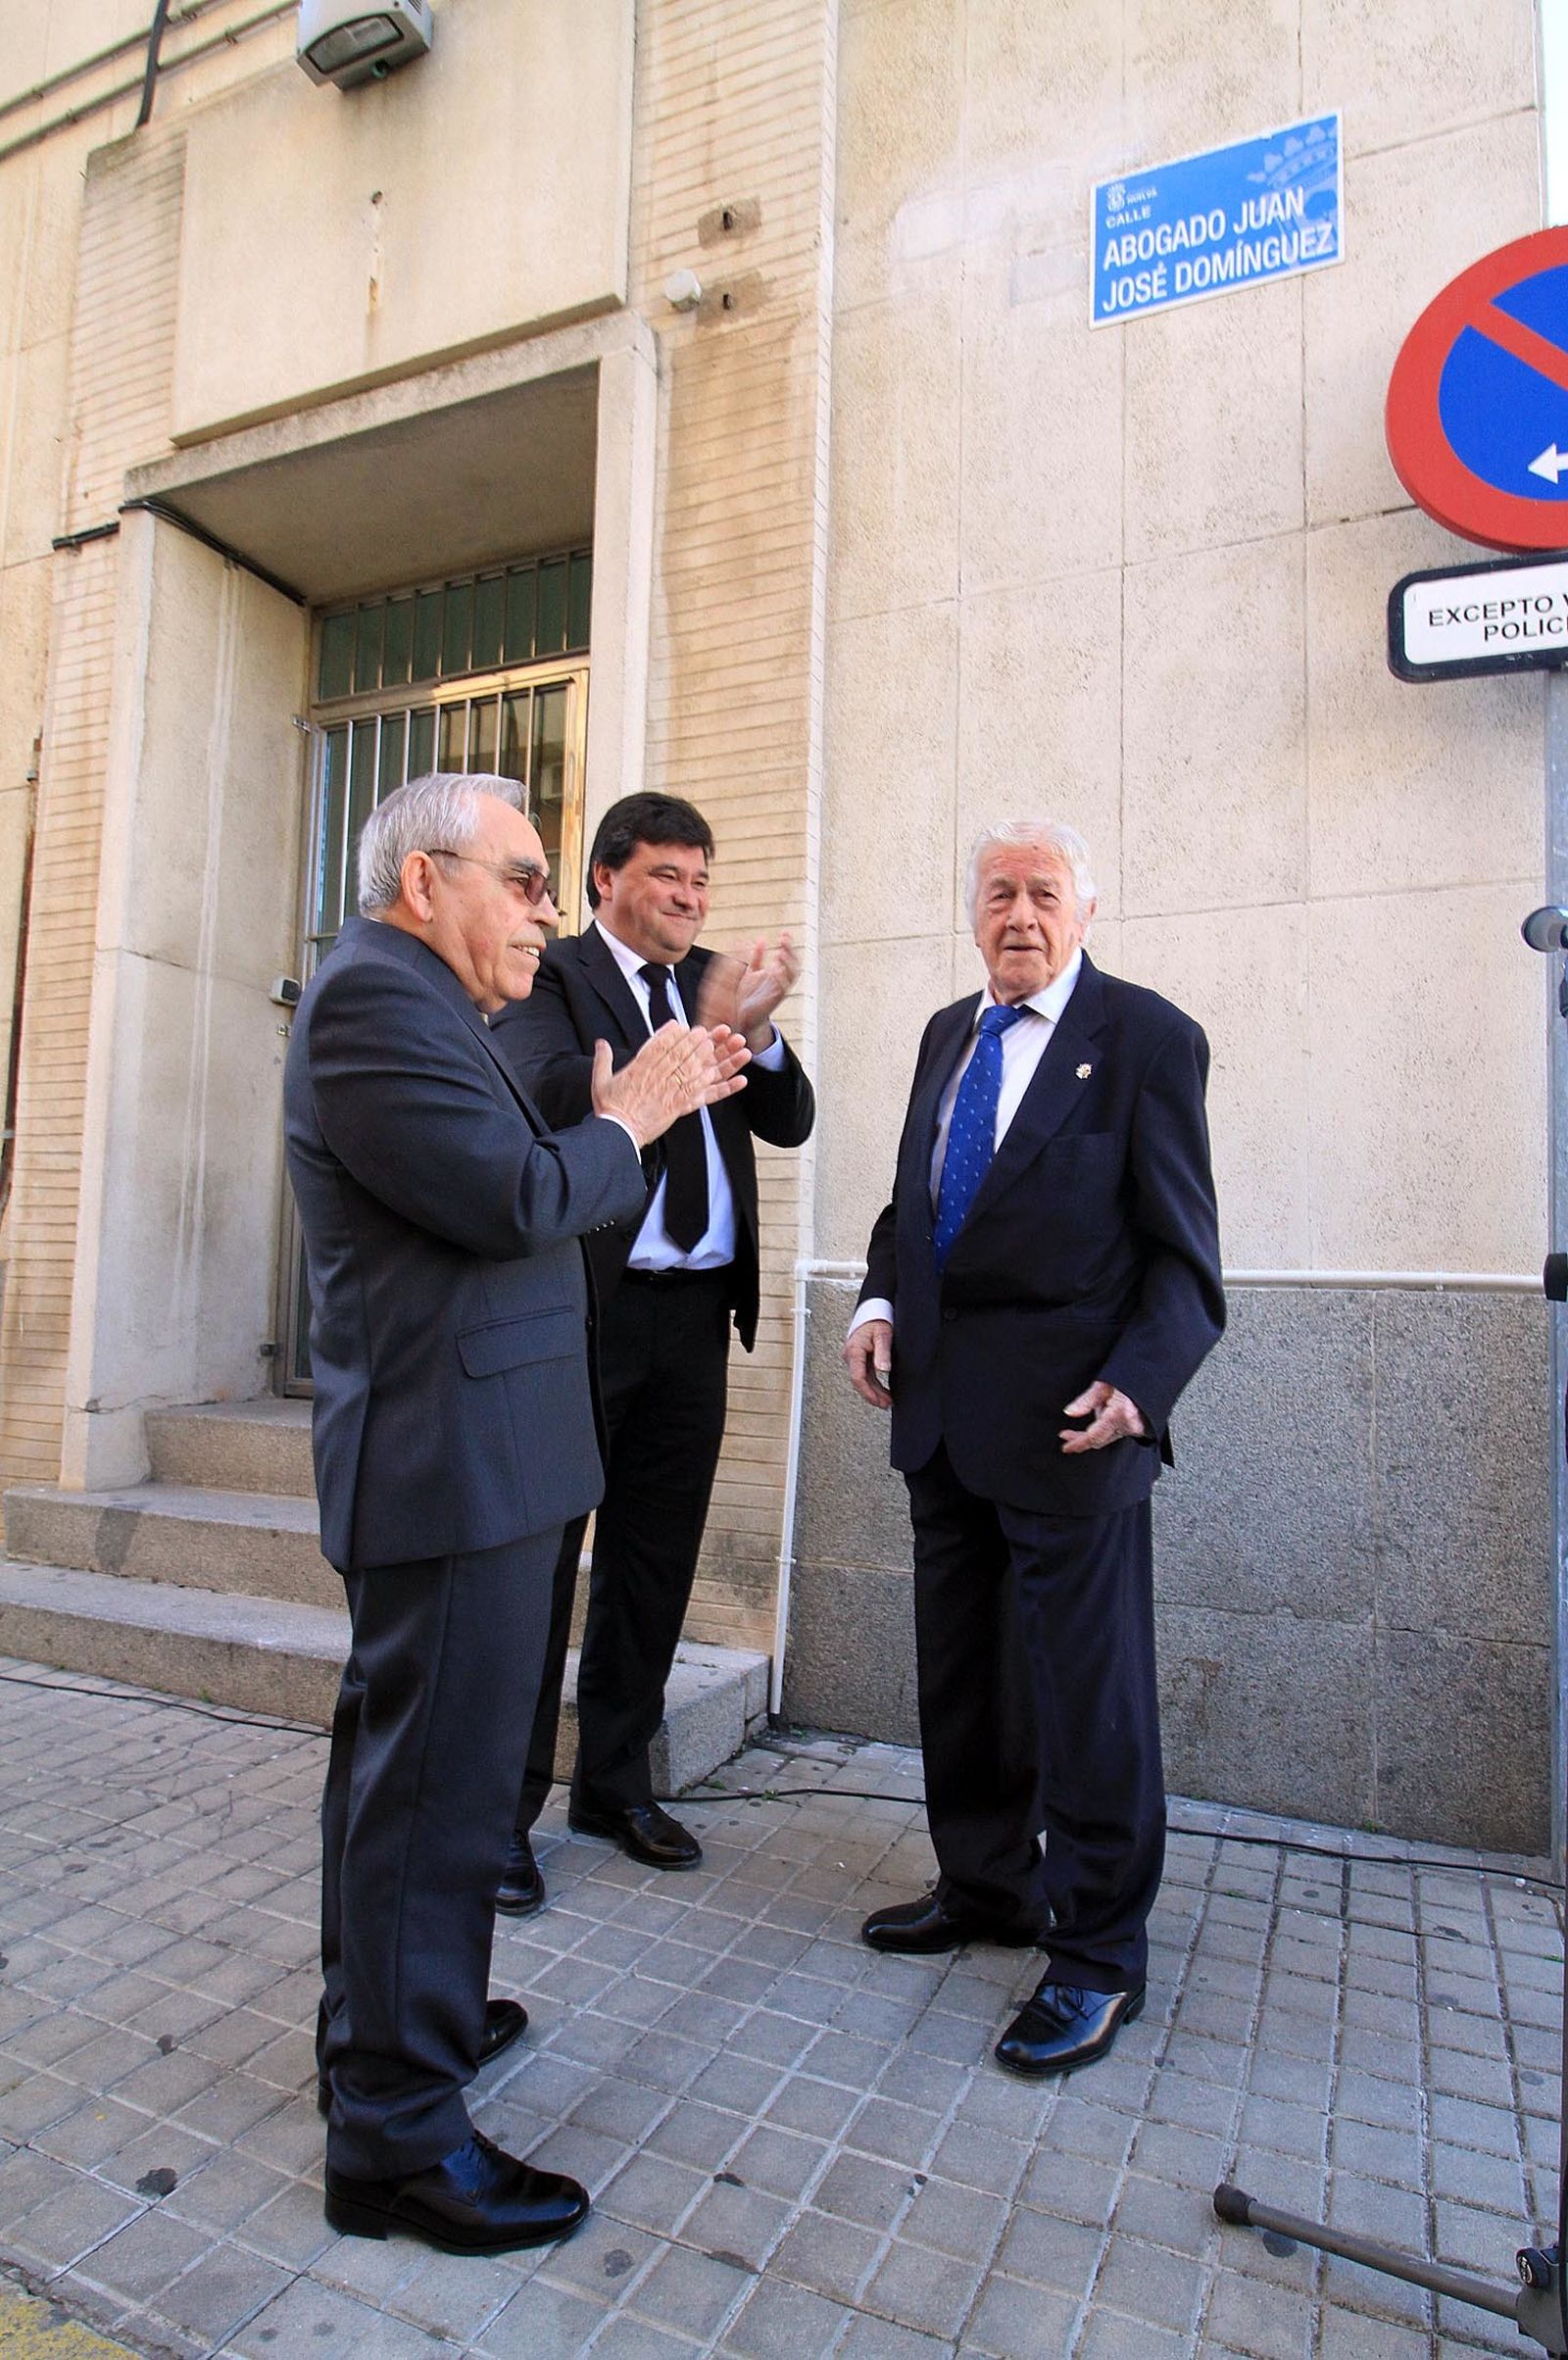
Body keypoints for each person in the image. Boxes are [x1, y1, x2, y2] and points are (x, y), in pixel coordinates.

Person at [284, 771, 748, 2254]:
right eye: (529, 879)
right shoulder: (374, 1002)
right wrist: (636, 1117)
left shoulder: (434, 1009)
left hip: (481, 1457)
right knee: (434, 1798)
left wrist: (608, 1124)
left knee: (431, 1783)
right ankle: (399, 2141)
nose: (547, 915)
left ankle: (390, 2036)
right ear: (425, 881)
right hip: (447, 1464)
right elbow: (519, 1198)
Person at [844, 819, 1223, 2079]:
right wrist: (876, 1298)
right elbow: (917, 1202)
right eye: (998, 891)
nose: (1019, 912)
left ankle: (1100, 1950)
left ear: (1085, 909)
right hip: (942, 1414)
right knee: (964, 1674)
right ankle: (986, 1884)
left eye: (1042, 892)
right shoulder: (948, 1031)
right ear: (972, 912)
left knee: (1085, 1694)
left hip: (1074, 1420)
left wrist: (1141, 1381)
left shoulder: (1145, 1039)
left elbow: (1182, 1254)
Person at [490, 791, 814, 1900]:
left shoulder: (718, 980)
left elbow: (790, 1117)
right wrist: (652, 1070)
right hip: (587, 1309)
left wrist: (756, 1031)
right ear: (603, 881)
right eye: (667, 875)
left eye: (701, 878)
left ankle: (615, 1779)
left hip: (693, 1320)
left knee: (653, 1557)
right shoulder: (553, 977)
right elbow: (537, 1089)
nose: (689, 897)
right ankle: (502, 1813)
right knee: (541, 1567)